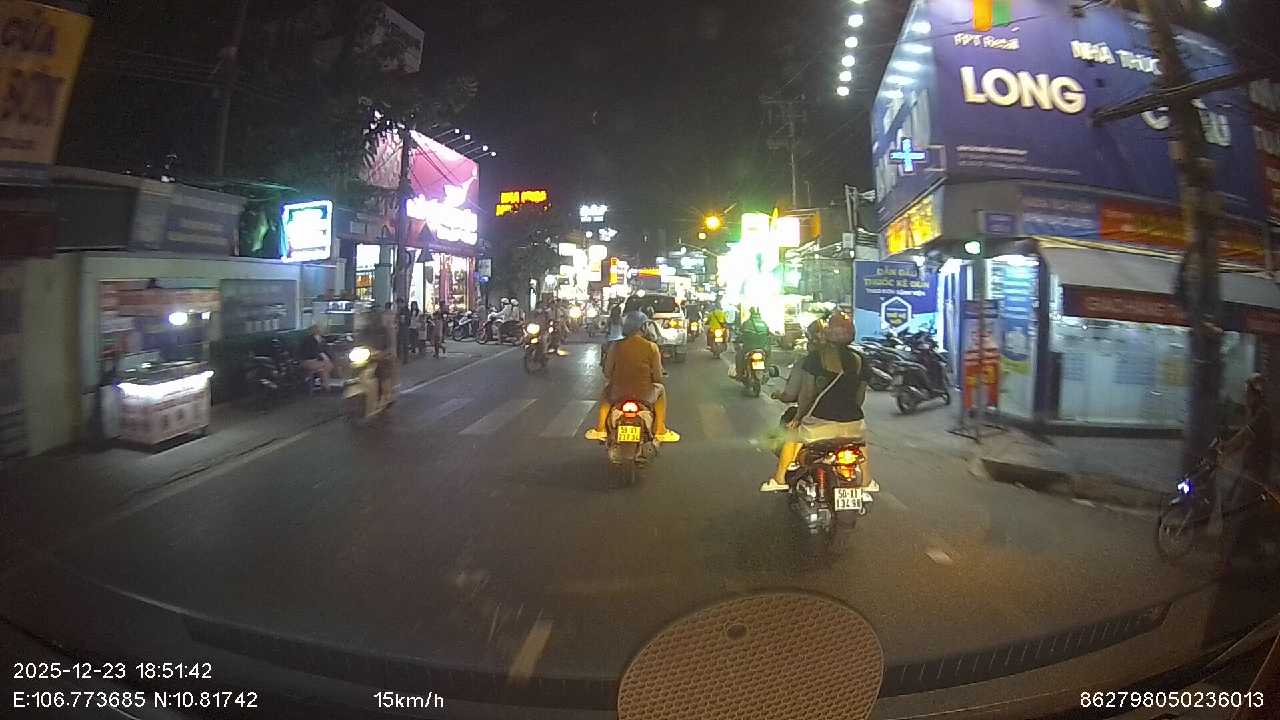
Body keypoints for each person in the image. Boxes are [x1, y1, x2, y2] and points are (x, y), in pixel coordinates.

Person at [762, 310, 869, 492]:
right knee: (859, 443)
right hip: (855, 424)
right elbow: (859, 396)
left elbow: (807, 393)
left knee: (792, 434)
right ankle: (867, 482)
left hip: (820, 425)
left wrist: (798, 417)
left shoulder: (815, 359)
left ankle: (779, 479)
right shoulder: (861, 360)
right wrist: (848, 413)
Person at [585, 311, 680, 443]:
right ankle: (660, 430)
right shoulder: (651, 347)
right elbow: (658, 377)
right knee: (661, 390)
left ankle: (600, 429)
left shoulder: (615, 346)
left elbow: (607, 373)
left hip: (618, 393)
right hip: (645, 395)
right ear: (643, 327)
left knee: (606, 390)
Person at [1216, 373, 1273, 566]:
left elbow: (1244, 436)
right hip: (1248, 470)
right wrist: (1226, 448)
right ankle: (1252, 550)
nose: (1245, 397)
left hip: (1256, 473)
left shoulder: (1263, 415)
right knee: (1236, 506)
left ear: (1257, 395)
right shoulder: (1255, 413)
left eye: (1248, 393)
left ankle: (1226, 562)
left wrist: (1227, 447)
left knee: (1235, 512)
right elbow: (1243, 441)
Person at [735, 307, 772, 378]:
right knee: (768, 356)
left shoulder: (746, 323)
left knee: (739, 355)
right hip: (763, 348)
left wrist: (738, 340)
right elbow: (768, 334)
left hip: (749, 347)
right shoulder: (764, 323)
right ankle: (766, 372)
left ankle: (739, 374)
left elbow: (740, 334)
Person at [299, 324, 334, 390]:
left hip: (316, 361)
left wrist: (325, 356)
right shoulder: (308, 340)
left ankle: (325, 386)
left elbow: (323, 351)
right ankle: (326, 386)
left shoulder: (320, 339)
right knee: (328, 365)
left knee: (324, 370)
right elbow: (311, 354)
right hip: (307, 362)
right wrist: (322, 356)